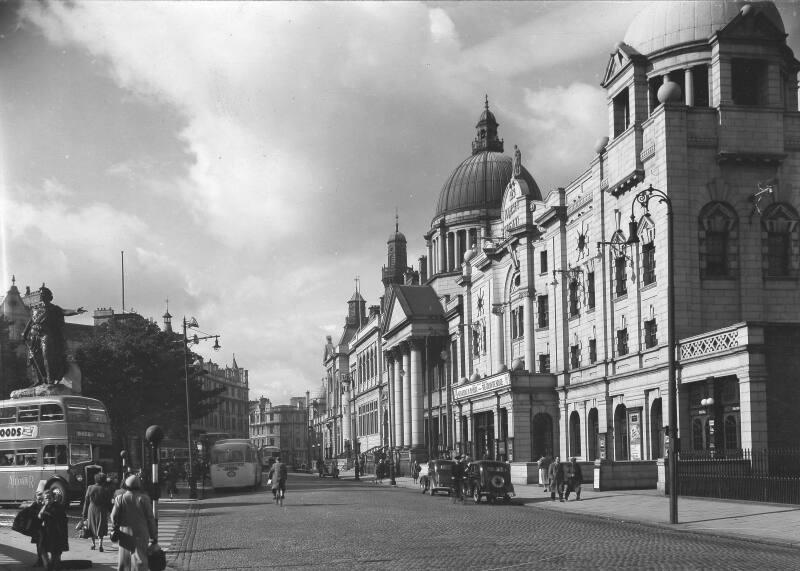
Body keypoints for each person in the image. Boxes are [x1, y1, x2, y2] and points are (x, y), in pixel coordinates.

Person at [22, 285, 85, 385]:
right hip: (34, 335)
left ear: (49, 297)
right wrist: (25, 333)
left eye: (44, 294)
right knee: (33, 357)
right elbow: (31, 321)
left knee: (46, 355)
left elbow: (64, 311)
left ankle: (50, 379)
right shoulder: (36, 308)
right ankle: (40, 379)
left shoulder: (53, 308)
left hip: (46, 334)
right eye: (41, 294)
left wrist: (75, 311)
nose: (42, 296)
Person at [111, 474, 157, 571]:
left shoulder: (120, 498)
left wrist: (115, 526)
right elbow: (150, 518)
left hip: (124, 532)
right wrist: (153, 536)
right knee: (140, 558)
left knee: (125, 558)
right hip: (141, 532)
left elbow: (114, 516)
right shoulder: (144, 498)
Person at [38, 488, 69, 571]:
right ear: (44, 499)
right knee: (42, 549)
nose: (48, 499)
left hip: (56, 533)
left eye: (49, 497)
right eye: (46, 498)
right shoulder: (44, 507)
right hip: (47, 533)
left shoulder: (58, 506)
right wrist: (45, 506)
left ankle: (54, 565)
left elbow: (61, 519)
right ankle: (48, 565)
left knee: (55, 553)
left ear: (53, 498)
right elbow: (40, 516)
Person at [82, 473, 111, 552]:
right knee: (100, 526)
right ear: (104, 480)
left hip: (91, 509)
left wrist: (84, 514)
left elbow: (86, 501)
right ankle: (100, 545)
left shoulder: (90, 488)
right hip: (102, 509)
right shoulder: (106, 489)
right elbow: (108, 502)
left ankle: (93, 544)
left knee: (91, 526)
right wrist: (110, 511)